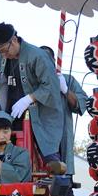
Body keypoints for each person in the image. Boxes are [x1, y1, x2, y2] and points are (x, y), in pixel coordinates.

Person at [0, 23, 64, 172]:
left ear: (14, 40)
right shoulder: (0, 57)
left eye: (4, 50)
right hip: (12, 110)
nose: (3, 55)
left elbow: (51, 86)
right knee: (7, 149)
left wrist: (29, 98)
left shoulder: (38, 56)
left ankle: (58, 180)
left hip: (40, 112)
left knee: (48, 152)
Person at [39, 45, 88, 177]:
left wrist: (65, 90)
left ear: (54, 61)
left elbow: (82, 103)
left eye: (47, 59)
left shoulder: (67, 80)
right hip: (39, 139)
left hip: (62, 140)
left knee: (62, 179)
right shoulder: (31, 82)